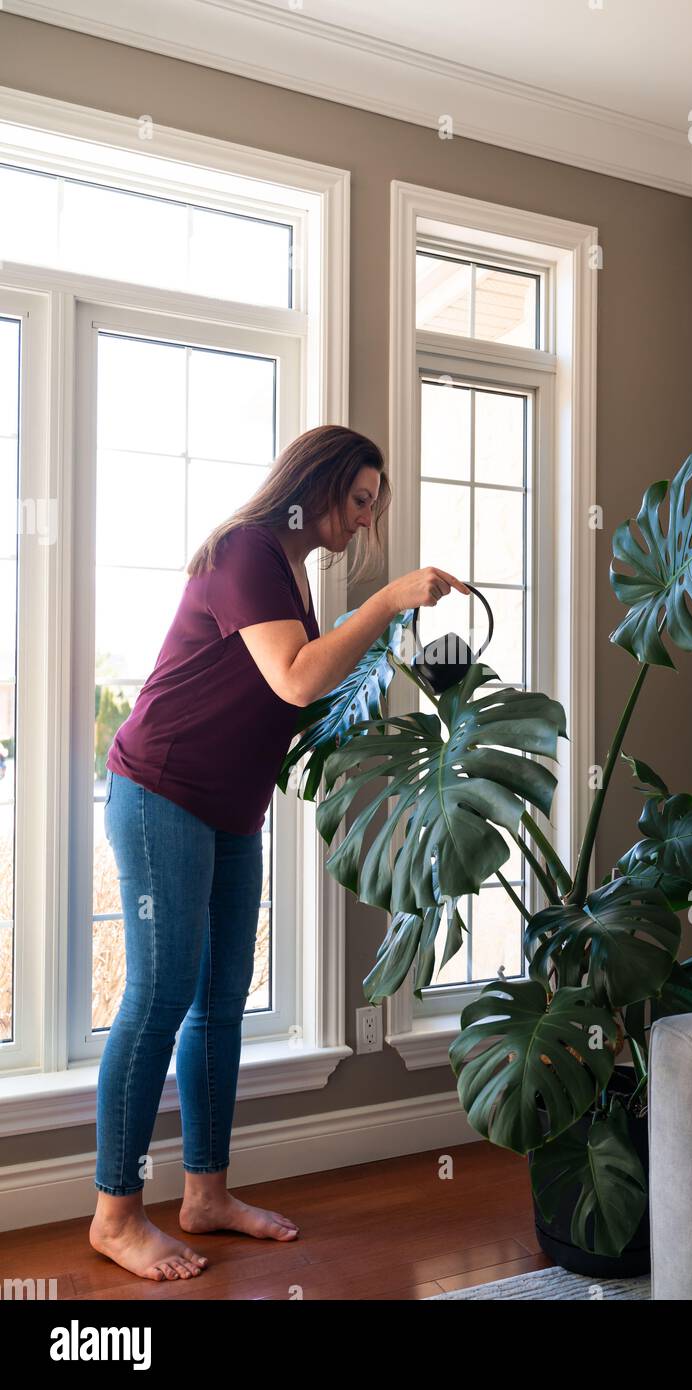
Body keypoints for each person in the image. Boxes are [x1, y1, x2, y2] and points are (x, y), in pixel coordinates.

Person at [91, 423, 469, 1282]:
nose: (367, 522)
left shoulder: (286, 567)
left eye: (376, 506)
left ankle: (206, 1195)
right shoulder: (246, 550)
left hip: (229, 807)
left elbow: (299, 688)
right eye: (362, 499)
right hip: (160, 790)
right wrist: (382, 605)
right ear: (321, 482)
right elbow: (296, 678)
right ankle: (115, 1214)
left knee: (219, 999)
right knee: (160, 995)